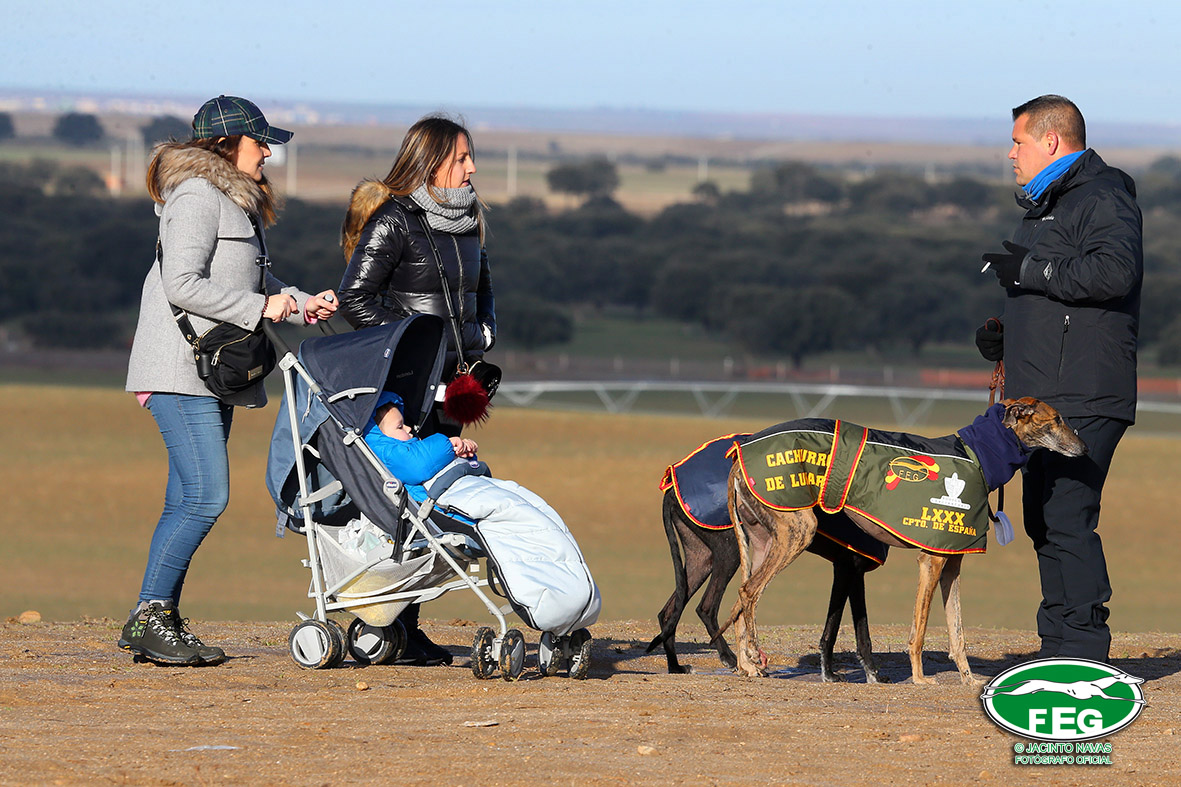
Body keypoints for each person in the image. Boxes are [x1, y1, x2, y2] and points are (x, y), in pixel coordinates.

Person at [121, 96, 338, 666]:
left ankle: (157, 618)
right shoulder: (196, 195)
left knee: (186, 497)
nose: (267, 152)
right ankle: (149, 617)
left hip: (208, 372)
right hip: (177, 369)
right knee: (206, 496)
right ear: (225, 144)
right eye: (259, 142)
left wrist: (299, 303)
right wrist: (262, 309)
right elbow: (182, 284)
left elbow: (254, 279)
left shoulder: (232, 199)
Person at [975, 95, 1142, 662]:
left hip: (1085, 392)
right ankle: (1058, 645)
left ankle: (1086, 652)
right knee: (1043, 519)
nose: (1010, 154)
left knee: (1068, 516)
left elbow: (1114, 273)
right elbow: (1055, 301)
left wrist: (1030, 269)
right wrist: (1005, 335)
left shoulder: (1102, 196)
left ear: (1051, 141)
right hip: (1043, 393)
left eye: (1017, 142)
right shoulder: (1044, 205)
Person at [338, 114, 496, 665]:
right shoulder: (394, 220)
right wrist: (413, 347)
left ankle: (407, 626)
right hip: (408, 388)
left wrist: (484, 334)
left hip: (457, 384)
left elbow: (483, 289)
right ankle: (383, 620)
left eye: (470, 156)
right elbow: (355, 298)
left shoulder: (469, 220)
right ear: (430, 163)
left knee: (435, 500)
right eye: (461, 158)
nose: (472, 168)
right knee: (400, 502)